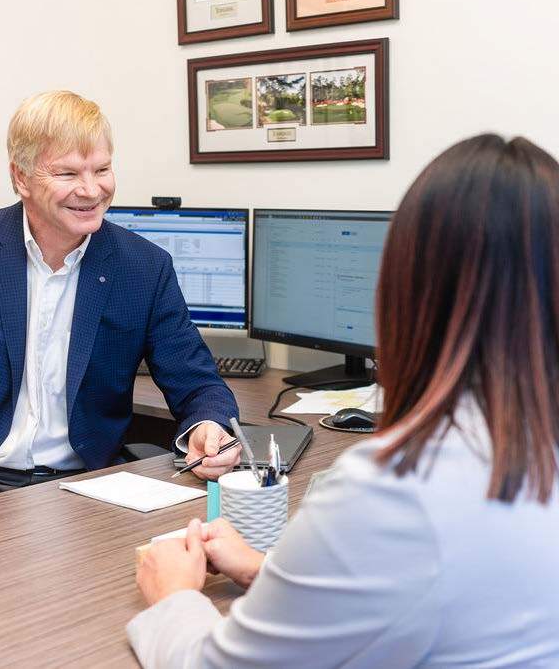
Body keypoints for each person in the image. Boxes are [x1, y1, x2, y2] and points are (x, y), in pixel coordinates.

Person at [127, 134, 559, 667]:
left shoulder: (397, 486)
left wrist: (173, 595)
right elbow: (439, 592)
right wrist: (267, 570)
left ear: (406, 288)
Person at [0, 90, 240, 513]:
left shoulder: (143, 267)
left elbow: (197, 383)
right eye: (66, 173)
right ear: (21, 178)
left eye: (102, 169)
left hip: (90, 487)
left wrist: (208, 426)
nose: (91, 189)